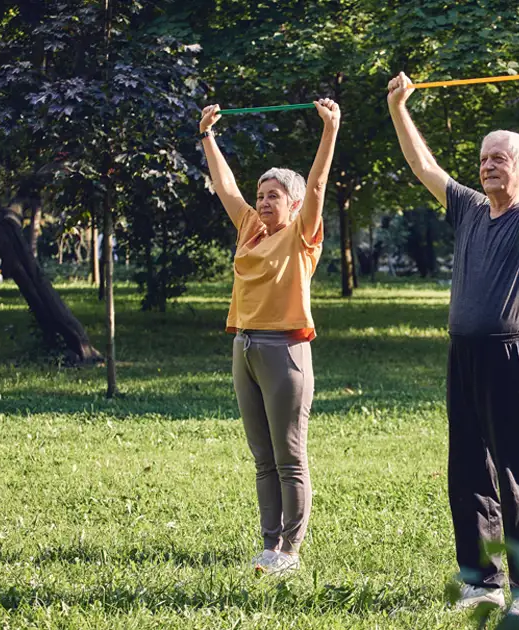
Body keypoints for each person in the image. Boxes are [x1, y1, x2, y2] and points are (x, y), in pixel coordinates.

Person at [386, 59, 519, 617]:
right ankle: (482, 581)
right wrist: (399, 109)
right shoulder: (471, 209)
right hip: (465, 354)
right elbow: (423, 165)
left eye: (499, 158)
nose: (488, 167)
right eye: (483, 159)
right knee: (468, 469)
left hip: (515, 356)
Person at [198, 98, 341, 576]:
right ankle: (269, 544)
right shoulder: (249, 229)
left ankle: (291, 550)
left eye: (274, 194)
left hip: (285, 350)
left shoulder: (302, 233)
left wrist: (330, 129)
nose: (262, 201)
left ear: (294, 204)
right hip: (244, 347)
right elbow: (224, 185)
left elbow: (318, 182)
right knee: (262, 457)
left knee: (288, 455)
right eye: (261, 194)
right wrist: (207, 137)